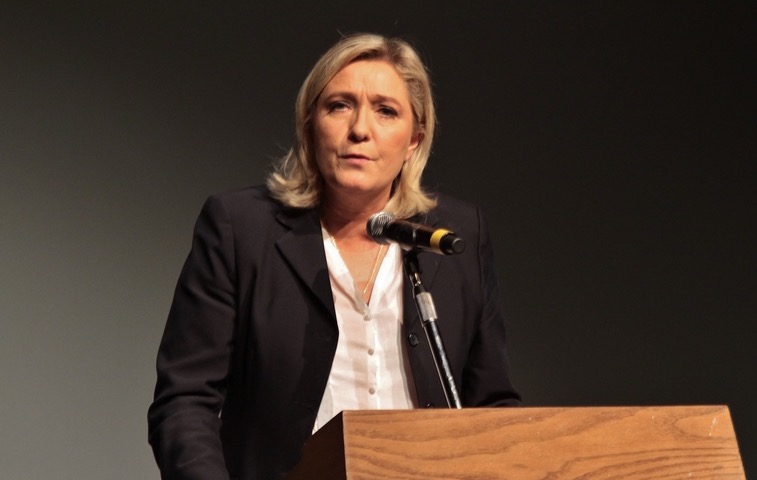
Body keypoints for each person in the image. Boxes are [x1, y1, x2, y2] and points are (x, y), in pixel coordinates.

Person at [147, 33, 520, 480]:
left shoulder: (453, 237)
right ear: (310, 125)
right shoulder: (241, 229)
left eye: (385, 111)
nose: (360, 129)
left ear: (414, 140)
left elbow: (492, 404)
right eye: (339, 106)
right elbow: (185, 401)